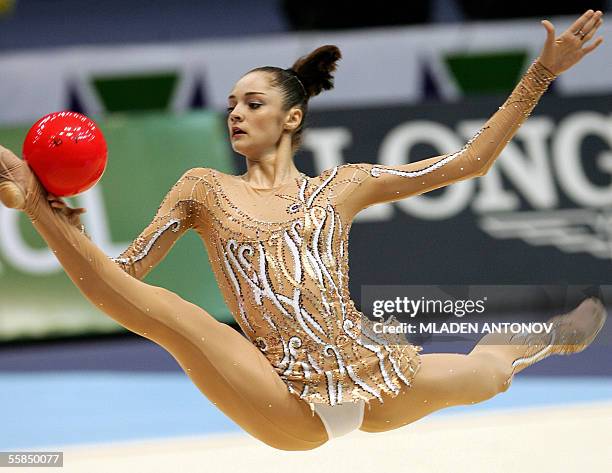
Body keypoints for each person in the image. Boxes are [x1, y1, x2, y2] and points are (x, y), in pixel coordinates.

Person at [0, 10, 607, 451]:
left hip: (370, 377)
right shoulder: (204, 190)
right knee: (175, 315)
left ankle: (545, 335)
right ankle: (32, 203)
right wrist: (46, 206)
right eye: (233, 103)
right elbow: (122, 280)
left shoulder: (343, 185)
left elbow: (466, 162)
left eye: (254, 103)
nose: (236, 112)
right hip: (278, 394)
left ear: (292, 117)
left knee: (491, 374)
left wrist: (541, 76)